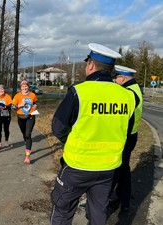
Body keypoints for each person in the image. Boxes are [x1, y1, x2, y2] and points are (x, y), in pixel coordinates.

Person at [50, 43, 139, 225]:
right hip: (108, 168)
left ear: (90, 64)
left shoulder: (79, 92)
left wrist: (72, 140)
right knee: (98, 212)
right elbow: (128, 131)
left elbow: (58, 127)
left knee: (62, 211)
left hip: (77, 166)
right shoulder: (128, 96)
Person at [109, 65, 143, 211]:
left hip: (125, 137)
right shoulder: (135, 89)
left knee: (117, 170)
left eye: (116, 77)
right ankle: (123, 201)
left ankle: (104, 199)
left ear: (123, 78)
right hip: (131, 136)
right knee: (123, 170)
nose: (114, 80)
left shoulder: (128, 92)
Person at [12, 80, 38, 164]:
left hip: (30, 117)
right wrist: (20, 105)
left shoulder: (32, 95)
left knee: (28, 134)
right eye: (23, 86)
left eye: (26, 86)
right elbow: (13, 107)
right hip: (20, 117)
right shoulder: (17, 96)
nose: (24, 88)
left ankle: (27, 156)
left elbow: (35, 103)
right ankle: (27, 144)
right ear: (21, 88)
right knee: (24, 134)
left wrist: (35, 106)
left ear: (28, 87)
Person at [0, 84, 13, 150]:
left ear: (4, 90)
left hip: (6, 115)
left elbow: (10, 106)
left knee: (6, 129)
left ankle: (6, 141)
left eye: (2, 89)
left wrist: (4, 107)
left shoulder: (8, 97)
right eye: (0, 89)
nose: (1, 90)